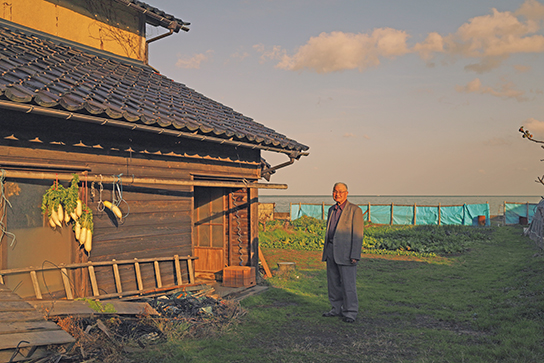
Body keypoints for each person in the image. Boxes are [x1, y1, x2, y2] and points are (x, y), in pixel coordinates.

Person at [322, 182, 364, 323]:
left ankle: (350, 312)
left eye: (341, 191)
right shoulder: (331, 210)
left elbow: (358, 234)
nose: (337, 194)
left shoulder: (355, 210)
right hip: (331, 252)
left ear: (347, 193)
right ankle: (335, 309)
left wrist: (355, 255)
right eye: (335, 191)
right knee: (333, 284)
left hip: (346, 254)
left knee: (348, 285)